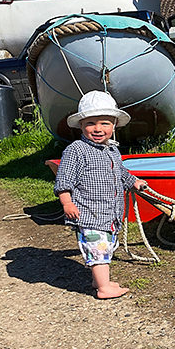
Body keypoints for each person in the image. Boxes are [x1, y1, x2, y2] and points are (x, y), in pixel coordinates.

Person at [54, 91, 147, 299]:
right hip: (90, 213)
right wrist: (67, 202)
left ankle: (99, 281)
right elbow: (64, 180)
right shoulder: (76, 150)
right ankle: (104, 288)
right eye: (91, 123)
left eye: (104, 123)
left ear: (114, 125)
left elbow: (121, 173)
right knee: (98, 248)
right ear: (81, 125)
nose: (98, 129)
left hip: (110, 212)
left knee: (105, 247)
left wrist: (134, 182)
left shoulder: (112, 150)